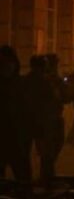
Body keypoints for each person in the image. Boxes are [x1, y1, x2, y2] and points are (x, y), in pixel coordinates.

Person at [26, 55, 70, 185]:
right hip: (44, 120)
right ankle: (46, 177)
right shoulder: (40, 80)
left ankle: (47, 175)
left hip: (53, 118)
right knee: (47, 150)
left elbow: (64, 96)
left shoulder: (53, 79)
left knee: (53, 147)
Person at [0, 46, 32, 185]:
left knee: (23, 178)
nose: (7, 66)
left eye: (9, 63)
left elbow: (29, 112)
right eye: (3, 63)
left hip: (18, 139)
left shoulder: (21, 84)